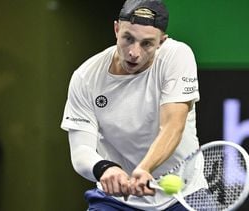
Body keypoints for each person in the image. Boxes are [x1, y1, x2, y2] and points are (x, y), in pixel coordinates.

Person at [61, 0, 208, 210]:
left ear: (161, 42)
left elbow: (172, 127)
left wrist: (145, 168)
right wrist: (104, 168)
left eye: (146, 43)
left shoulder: (177, 56)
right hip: (116, 202)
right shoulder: (85, 77)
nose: (134, 52)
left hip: (183, 195)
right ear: (116, 29)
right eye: (128, 38)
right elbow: (81, 150)